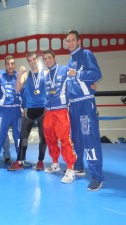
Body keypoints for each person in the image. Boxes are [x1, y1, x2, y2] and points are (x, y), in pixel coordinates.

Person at [65, 29, 104, 191]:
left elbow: (97, 73)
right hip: (73, 104)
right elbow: (70, 82)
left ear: (78, 41)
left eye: (73, 40)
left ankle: (97, 176)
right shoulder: (69, 60)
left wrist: (79, 74)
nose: (70, 43)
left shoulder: (86, 54)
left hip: (85, 103)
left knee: (89, 138)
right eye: (68, 41)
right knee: (76, 138)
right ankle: (79, 167)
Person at [42, 49, 77, 183]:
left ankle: (70, 169)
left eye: (49, 58)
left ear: (54, 58)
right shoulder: (46, 76)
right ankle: (55, 164)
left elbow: (75, 79)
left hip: (61, 111)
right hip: (49, 111)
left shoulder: (64, 69)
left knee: (65, 140)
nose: (48, 60)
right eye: (45, 59)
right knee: (50, 138)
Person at [8, 51, 47, 171]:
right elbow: (17, 89)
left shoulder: (45, 73)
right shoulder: (26, 75)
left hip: (43, 109)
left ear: (37, 59)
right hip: (29, 110)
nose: (32, 62)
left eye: (34, 59)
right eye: (29, 60)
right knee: (23, 136)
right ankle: (20, 161)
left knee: (42, 137)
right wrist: (19, 74)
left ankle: (40, 161)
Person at [0, 55, 23, 172]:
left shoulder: (20, 76)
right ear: (5, 65)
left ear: (15, 64)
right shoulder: (0, 76)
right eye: (8, 64)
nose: (11, 66)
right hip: (4, 110)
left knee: (18, 137)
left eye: (12, 63)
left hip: (17, 111)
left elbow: (25, 93)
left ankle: (21, 159)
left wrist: (24, 107)